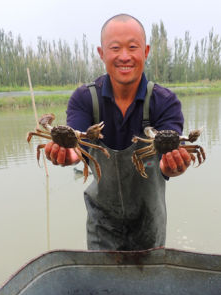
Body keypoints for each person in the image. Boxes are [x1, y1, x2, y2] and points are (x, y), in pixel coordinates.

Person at [43, 13, 193, 251]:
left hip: (150, 223)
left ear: (145, 51)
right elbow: (76, 148)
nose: (124, 56)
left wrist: (172, 166)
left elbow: (168, 160)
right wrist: (68, 155)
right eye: (115, 48)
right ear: (102, 53)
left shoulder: (164, 102)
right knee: (103, 287)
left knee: (149, 284)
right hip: (102, 226)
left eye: (132, 47)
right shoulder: (85, 99)